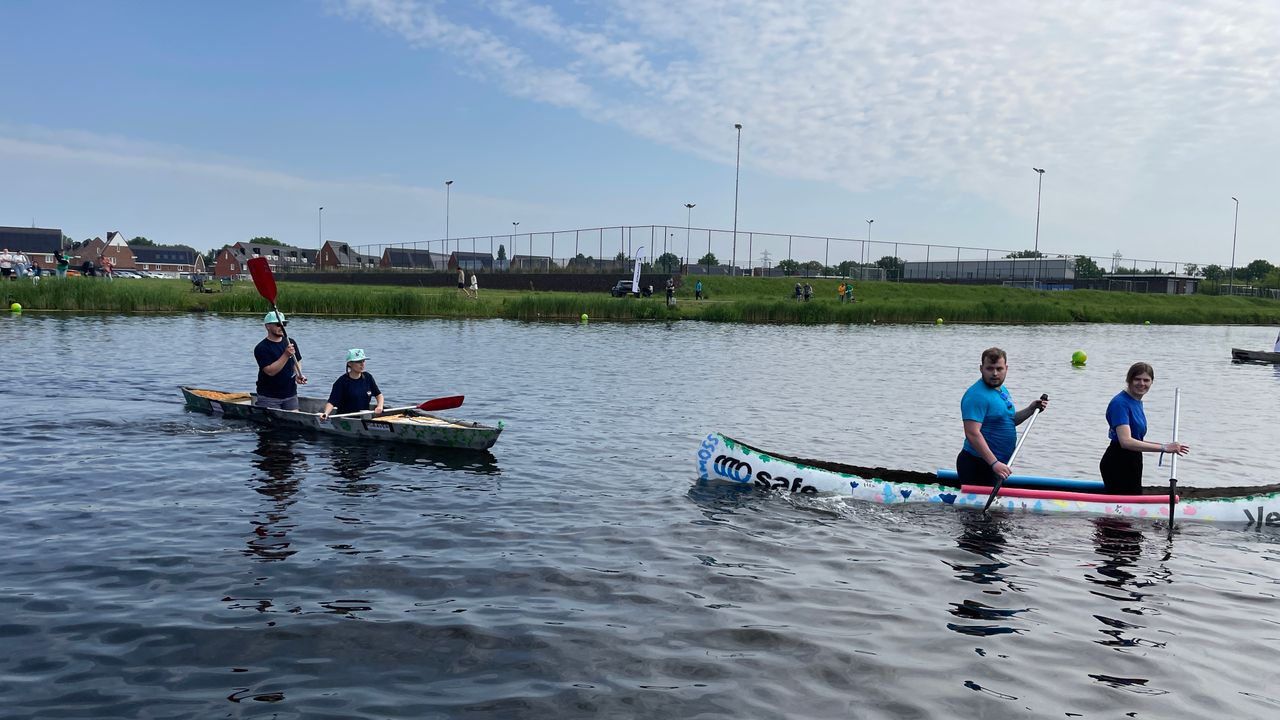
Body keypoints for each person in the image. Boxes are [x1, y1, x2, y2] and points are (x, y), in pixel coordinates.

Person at [957, 347, 1050, 486]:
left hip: (996, 465)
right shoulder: (976, 396)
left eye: (999, 369)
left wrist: (1030, 410)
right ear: (981, 368)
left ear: (1006, 368)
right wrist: (994, 463)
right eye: (990, 368)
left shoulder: (1001, 389)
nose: (995, 373)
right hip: (978, 465)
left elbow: (1007, 421)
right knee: (976, 509)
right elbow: (972, 433)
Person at [1099, 362, 1190, 494]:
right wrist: (1164, 448)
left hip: (1133, 460)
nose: (1142, 383)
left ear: (1152, 382)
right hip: (1118, 461)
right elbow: (1126, 442)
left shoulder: (1136, 401)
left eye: (1146, 380)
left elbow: (1137, 439)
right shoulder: (1120, 403)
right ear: (1129, 380)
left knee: (1132, 499)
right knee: (1124, 507)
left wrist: (1167, 446)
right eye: (1137, 379)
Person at [254, 311, 308, 410]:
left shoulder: (290, 342)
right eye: (278, 324)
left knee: (294, 421)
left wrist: (298, 374)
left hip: (290, 394)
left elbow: (298, 360)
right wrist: (286, 355)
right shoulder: (261, 348)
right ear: (267, 326)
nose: (282, 327)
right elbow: (270, 371)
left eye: (284, 324)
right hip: (269, 396)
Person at [318, 349, 384, 422]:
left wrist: (379, 406)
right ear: (349, 363)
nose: (362, 364)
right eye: (358, 362)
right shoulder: (341, 382)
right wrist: (326, 413)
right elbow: (332, 402)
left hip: (364, 418)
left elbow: (379, 395)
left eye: (363, 361)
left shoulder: (368, 377)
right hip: (345, 419)